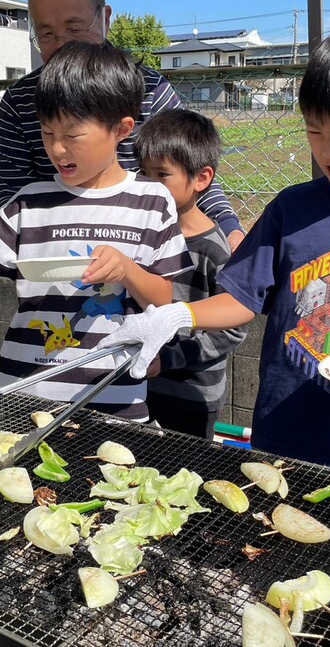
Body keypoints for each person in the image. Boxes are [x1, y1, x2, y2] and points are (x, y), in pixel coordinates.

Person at [97, 26, 330, 485]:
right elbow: (241, 297)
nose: (327, 150)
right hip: (287, 437)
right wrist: (176, 316)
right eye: (314, 131)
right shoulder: (291, 208)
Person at [0, 42, 191, 420]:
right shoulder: (28, 202)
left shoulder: (152, 202)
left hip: (114, 395)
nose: (56, 148)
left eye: (72, 135)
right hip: (23, 392)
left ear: (122, 130)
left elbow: (166, 297)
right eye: (47, 131)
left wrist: (127, 270)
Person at [0, 0, 246, 251]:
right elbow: (7, 195)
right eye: (46, 34)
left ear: (105, 18)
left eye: (74, 29)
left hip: (144, 246)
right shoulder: (19, 101)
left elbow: (187, 165)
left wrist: (228, 227)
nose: (62, 44)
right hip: (57, 248)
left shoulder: (149, 91)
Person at [134, 109, 247, 440]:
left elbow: (232, 330)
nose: (149, 186)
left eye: (162, 175)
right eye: (143, 173)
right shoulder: (142, 238)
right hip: (140, 385)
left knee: (184, 478)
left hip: (193, 396)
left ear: (202, 178)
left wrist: (168, 359)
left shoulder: (213, 250)